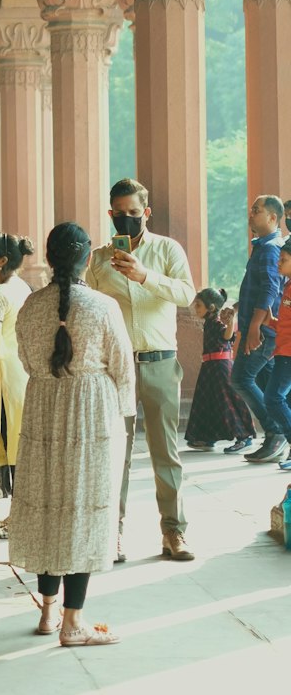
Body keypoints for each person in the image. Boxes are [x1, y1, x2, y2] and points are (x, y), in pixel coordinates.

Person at [9, 223, 135, 647]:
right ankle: (73, 623)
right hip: (91, 415)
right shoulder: (102, 306)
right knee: (81, 507)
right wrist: (123, 417)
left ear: (48, 258)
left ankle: (47, 612)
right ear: (87, 260)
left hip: (44, 408)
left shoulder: (30, 308)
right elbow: (122, 369)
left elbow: (28, 361)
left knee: (47, 504)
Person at [86, 177, 196, 562]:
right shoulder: (100, 259)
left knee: (166, 451)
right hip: (114, 368)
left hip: (160, 361)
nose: (128, 219)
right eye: (121, 214)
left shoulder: (167, 249)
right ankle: (112, 533)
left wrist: (145, 276)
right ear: (111, 214)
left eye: (135, 213)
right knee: (117, 452)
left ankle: (174, 532)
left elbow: (187, 293)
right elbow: (89, 307)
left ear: (146, 212)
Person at [0, 232, 34, 539]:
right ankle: (17, 513)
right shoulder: (22, 287)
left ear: (1, 260)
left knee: (12, 447)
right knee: (19, 444)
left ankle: (19, 517)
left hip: (6, 374)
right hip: (22, 371)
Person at [232, 194, 286, 463]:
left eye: (257, 210)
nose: (250, 214)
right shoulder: (264, 246)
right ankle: (277, 436)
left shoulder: (270, 248)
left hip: (263, 329)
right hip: (262, 328)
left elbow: (270, 287)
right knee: (265, 382)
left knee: (240, 378)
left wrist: (253, 326)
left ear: (273, 218)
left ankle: (275, 434)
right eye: (251, 209)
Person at [185, 288, 256, 452]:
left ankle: (243, 437)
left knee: (227, 402)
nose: (196, 308)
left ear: (210, 308)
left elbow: (226, 336)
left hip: (220, 368)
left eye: (199, 305)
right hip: (209, 368)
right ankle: (207, 437)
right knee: (207, 402)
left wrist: (230, 323)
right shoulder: (208, 322)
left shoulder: (218, 322)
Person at [265, 237, 291, 469]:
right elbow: (286, 323)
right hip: (283, 351)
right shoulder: (288, 286)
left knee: (273, 398)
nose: (278, 264)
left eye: (283, 260)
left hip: (289, 354)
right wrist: (271, 322)